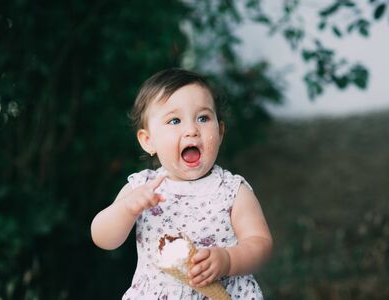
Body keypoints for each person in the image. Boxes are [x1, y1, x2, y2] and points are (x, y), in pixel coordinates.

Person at [91, 68, 273, 299]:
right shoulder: (142, 188)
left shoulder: (233, 191)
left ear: (220, 131)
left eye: (203, 118)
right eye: (174, 120)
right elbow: (103, 238)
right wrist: (127, 209)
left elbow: (260, 244)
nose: (191, 130)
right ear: (148, 141)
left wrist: (229, 260)